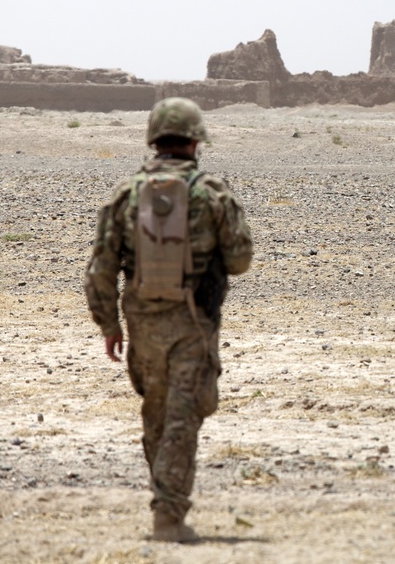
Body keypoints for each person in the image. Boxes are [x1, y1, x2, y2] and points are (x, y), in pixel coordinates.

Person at [84, 97, 253, 542]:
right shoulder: (213, 192)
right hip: (192, 320)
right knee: (182, 416)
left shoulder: (125, 195)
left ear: (154, 140)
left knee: (156, 413)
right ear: (195, 141)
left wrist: (108, 326)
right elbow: (239, 260)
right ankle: (169, 517)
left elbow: (100, 267)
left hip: (141, 321)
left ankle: (164, 502)